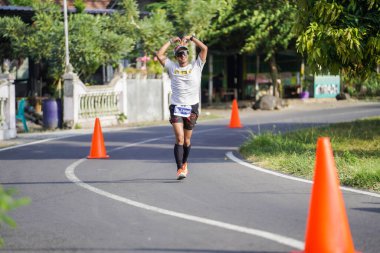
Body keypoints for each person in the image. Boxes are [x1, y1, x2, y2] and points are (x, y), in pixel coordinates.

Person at [156, 35, 208, 180]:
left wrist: (192, 38)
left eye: (184, 53)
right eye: (179, 54)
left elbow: (204, 48)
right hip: (177, 106)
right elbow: (159, 54)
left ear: (187, 54)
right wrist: (170, 41)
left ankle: (185, 163)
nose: (182, 55)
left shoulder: (196, 66)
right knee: (179, 138)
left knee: (187, 141)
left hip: (192, 107)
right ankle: (179, 169)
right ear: (176, 57)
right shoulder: (172, 67)